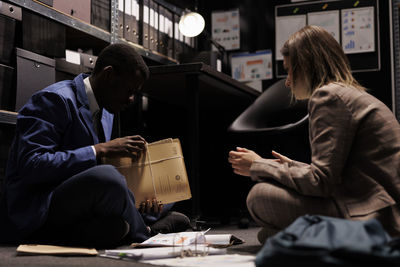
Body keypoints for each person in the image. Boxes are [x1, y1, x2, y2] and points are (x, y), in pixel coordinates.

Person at [0, 43, 191, 248]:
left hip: (83, 202)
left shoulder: (107, 111)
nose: (131, 100)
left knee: (166, 190)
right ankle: (145, 234)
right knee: (107, 178)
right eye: (129, 91)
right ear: (109, 75)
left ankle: (125, 224)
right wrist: (99, 150)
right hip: (41, 205)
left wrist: (145, 192)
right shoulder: (53, 100)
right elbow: (31, 165)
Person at [228, 25, 400, 244]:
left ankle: (331, 238)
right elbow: (336, 176)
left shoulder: (328, 96)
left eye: (290, 71)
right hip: (381, 208)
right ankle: (305, 237)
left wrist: (258, 165)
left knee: (259, 196)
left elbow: (321, 183)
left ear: (308, 66)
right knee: (267, 234)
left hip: (376, 217)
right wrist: (290, 167)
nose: (288, 82)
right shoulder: (347, 93)